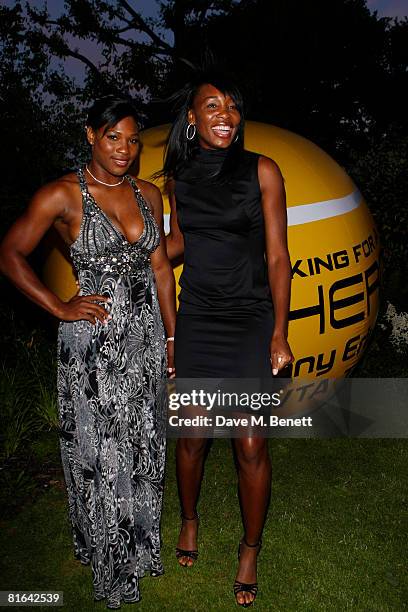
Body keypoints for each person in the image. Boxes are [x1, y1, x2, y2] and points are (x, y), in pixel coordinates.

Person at [0, 96, 176, 609]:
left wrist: (171, 335)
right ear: (90, 136)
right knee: (103, 455)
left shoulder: (148, 194)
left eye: (132, 138)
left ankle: (140, 549)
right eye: (112, 137)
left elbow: (161, 268)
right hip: (94, 345)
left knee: (144, 445)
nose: (124, 149)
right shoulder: (62, 195)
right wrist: (57, 305)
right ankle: (109, 562)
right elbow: (10, 254)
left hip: (144, 339)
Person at [163, 73, 294, 607]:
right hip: (198, 318)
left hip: (248, 320)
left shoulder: (262, 170)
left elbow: (279, 257)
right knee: (193, 438)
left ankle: (249, 548)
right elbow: (176, 243)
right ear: (191, 118)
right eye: (212, 106)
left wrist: (279, 332)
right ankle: (190, 520)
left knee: (250, 443)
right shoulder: (179, 177)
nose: (225, 115)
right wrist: (133, 257)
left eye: (233, 107)